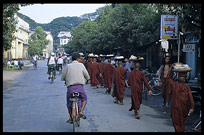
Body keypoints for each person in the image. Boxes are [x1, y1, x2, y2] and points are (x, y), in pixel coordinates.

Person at [61, 52, 90, 123]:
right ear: (77, 59)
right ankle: (81, 111)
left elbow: (63, 77)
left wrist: (65, 80)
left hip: (70, 89)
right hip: (80, 88)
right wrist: (88, 79)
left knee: (68, 103)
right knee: (84, 98)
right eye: (80, 58)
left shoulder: (68, 66)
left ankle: (71, 117)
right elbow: (87, 75)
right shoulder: (81, 65)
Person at [166, 64, 194, 132]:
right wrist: (192, 108)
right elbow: (191, 99)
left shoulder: (174, 85)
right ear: (184, 80)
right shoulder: (187, 88)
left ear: (178, 79)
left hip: (176, 109)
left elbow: (168, 78)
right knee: (182, 123)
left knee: (176, 123)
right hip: (184, 109)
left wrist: (170, 68)